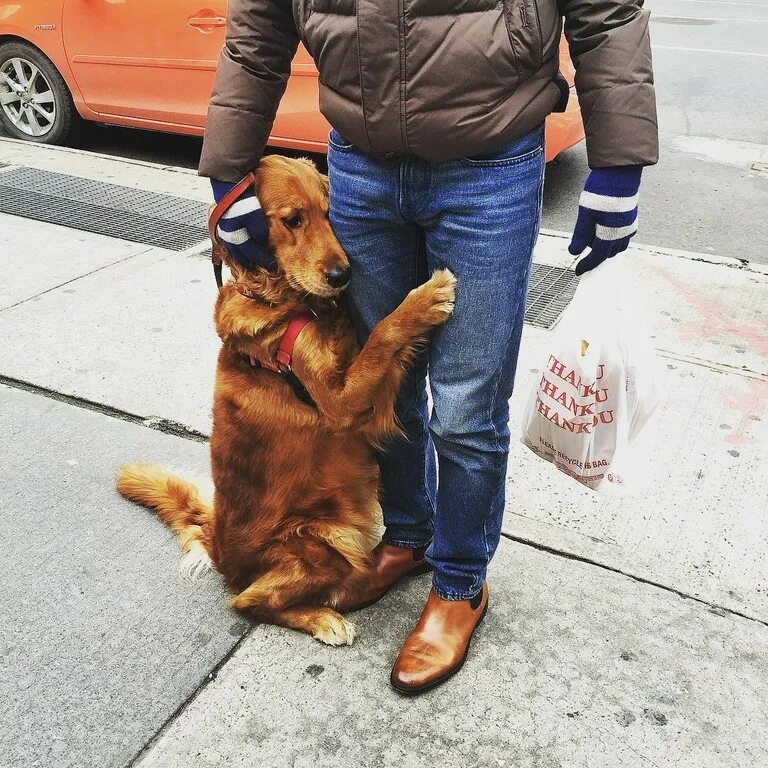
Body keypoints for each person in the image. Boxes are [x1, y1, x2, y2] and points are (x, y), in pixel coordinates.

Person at [199, 0, 657, 694]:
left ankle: (461, 583)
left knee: (468, 407)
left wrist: (618, 166)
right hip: (359, 163)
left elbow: (608, 9)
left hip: (490, 162)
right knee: (387, 387)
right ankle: (408, 536)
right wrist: (229, 170)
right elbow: (259, 22)